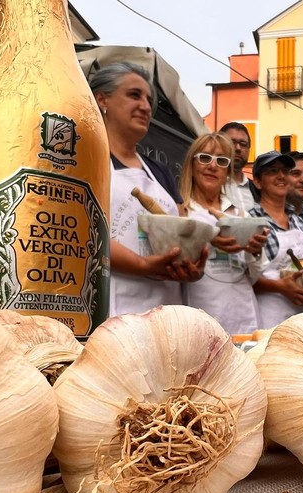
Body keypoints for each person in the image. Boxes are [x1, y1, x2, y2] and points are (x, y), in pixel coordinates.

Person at [90, 62, 207, 317]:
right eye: (134, 95)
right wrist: (140, 264)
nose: (145, 106)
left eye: (148, 100)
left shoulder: (159, 171)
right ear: (102, 99)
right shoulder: (86, 160)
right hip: (114, 311)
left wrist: (192, 265)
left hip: (167, 309)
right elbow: (80, 232)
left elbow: (180, 229)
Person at [179, 132, 268, 334]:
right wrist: (208, 238)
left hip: (245, 318)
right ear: (191, 166)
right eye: (204, 158)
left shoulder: (242, 215)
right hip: (202, 319)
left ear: (227, 171)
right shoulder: (181, 212)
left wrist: (255, 251)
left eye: (221, 161)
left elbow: (255, 276)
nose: (212, 166)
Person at [249, 151, 303, 328]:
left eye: (285, 171)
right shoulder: (250, 220)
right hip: (269, 319)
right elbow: (243, 277)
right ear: (257, 181)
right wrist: (280, 286)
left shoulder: (299, 222)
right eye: (272, 171)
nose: (281, 176)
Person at [220, 122, 257, 213]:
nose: (238, 148)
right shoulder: (208, 185)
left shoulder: (258, 190)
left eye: (243, 144)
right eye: (232, 142)